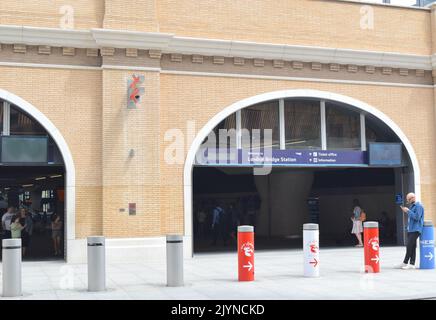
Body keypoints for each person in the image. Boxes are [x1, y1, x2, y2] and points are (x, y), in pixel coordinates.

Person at [398, 193, 424, 270]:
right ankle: (412, 264)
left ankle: (405, 262)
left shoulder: (418, 206)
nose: (408, 201)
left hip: (416, 229)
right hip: (411, 229)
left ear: (413, 198)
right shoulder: (412, 206)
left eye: (408, 199)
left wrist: (408, 211)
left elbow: (417, 217)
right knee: (412, 247)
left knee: (409, 246)